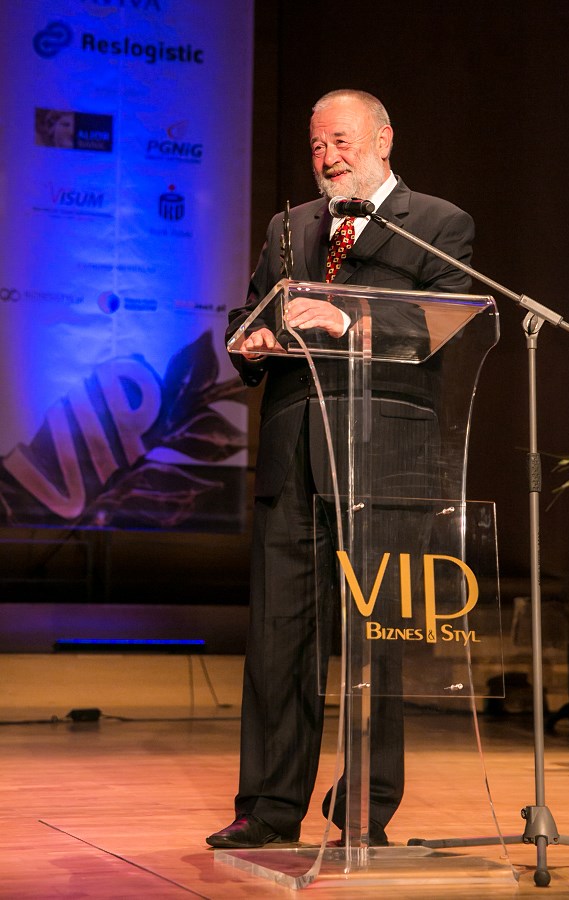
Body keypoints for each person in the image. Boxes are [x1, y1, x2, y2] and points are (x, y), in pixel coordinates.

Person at [207, 89, 475, 849]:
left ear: (384, 139)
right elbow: (252, 310)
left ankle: (364, 810)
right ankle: (268, 808)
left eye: (342, 141)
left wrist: (349, 317)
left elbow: (445, 319)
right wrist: (252, 339)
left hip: (384, 455)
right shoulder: (289, 228)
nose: (328, 157)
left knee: (376, 635)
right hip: (293, 451)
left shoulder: (438, 223)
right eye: (318, 145)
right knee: (278, 639)